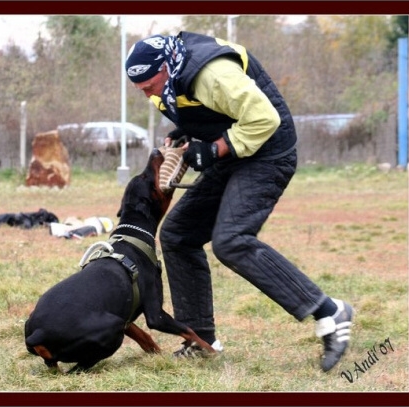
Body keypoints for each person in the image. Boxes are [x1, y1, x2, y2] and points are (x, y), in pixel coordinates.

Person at [125, 31, 354, 372]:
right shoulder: (168, 79)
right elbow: (201, 111)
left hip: (269, 152)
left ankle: (330, 313)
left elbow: (265, 119)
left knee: (231, 241)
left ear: (167, 68)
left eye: (149, 84)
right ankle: (200, 337)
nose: (145, 92)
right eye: (139, 87)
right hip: (236, 152)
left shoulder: (212, 75)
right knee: (178, 234)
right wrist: (186, 133)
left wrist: (214, 148)